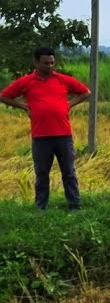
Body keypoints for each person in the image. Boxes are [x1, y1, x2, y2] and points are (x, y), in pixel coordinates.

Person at [0, 46, 91, 210]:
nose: (49, 66)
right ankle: (41, 207)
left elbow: (86, 92)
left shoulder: (62, 79)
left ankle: (74, 205)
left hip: (63, 135)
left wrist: (69, 104)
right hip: (41, 137)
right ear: (36, 62)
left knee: (69, 172)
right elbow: (4, 96)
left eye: (52, 62)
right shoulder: (26, 82)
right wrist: (24, 107)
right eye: (45, 63)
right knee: (41, 174)